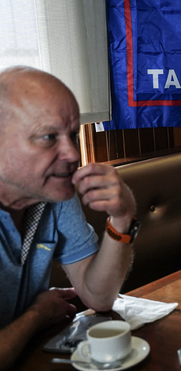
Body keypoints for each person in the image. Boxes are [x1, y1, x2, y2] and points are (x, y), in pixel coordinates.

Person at [0, 66, 138, 369]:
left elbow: (98, 297)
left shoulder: (50, 191)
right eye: (49, 137)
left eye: (73, 134)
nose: (73, 153)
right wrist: (35, 317)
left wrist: (122, 219)